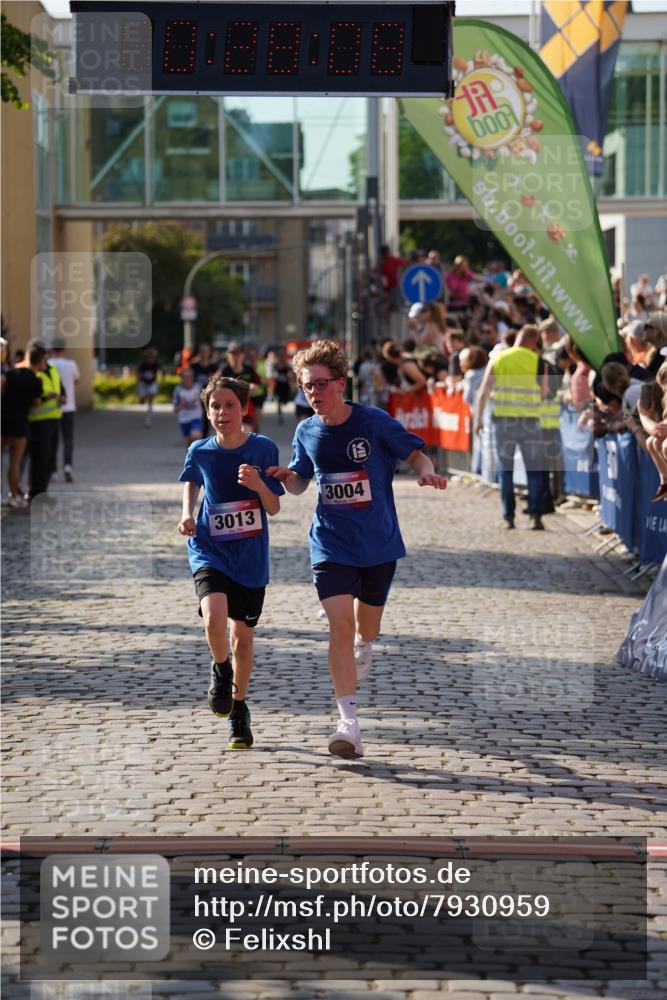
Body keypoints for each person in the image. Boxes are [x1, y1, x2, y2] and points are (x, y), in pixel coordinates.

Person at [266, 340, 448, 760]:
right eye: (307, 386)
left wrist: (427, 473)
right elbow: (300, 482)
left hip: (377, 543)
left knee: (367, 628)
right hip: (330, 543)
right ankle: (348, 723)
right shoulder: (306, 430)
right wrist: (287, 476)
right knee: (340, 626)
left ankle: (366, 645)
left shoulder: (373, 421)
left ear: (340, 383)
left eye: (321, 384)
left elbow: (417, 456)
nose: (314, 392)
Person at [177, 376, 284, 749]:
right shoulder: (200, 450)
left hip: (249, 557)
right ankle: (221, 670)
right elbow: (191, 480)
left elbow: (274, 506)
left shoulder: (263, 449)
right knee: (213, 617)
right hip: (209, 547)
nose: (222, 412)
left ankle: (239, 708)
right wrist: (187, 513)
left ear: (244, 409)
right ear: (207, 412)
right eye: (215, 406)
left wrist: (258, 485)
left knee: (243, 638)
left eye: (230, 405)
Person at [474, 324, 547, 530]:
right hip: (530, 421)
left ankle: (508, 516)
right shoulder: (538, 361)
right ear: (533, 342)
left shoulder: (499, 358)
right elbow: (544, 392)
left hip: (503, 421)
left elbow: (483, 390)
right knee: (533, 470)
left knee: (505, 470)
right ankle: (535, 516)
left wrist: (478, 419)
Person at [1, 343, 43, 507]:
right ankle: (13, 495)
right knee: (15, 462)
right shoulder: (35, 379)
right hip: (20, 422)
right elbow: (37, 402)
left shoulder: (11, 373)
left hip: (3, 418)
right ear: (40, 361)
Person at [49, 340, 80, 482]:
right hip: (69, 405)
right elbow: (76, 380)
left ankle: (53, 469)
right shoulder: (71, 364)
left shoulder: (49, 363)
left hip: (52, 407)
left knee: (53, 439)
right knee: (68, 438)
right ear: (64, 349)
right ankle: (67, 466)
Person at [172, 368, 204, 445]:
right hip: (184, 419)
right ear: (182, 378)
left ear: (193, 378)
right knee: (188, 444)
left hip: (196, 417)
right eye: (185, 377)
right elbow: (175, 410)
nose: (187, 379)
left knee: (196, 435)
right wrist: (181, 405)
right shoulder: (178, 390)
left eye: (189, 377)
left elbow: (207, 400)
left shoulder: (198, 387)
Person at [137, 346, 160, 428]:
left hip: (152, 383)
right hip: (143, 383)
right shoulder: (143, 363)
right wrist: (139, 377)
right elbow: (138, 371)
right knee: (142, 401)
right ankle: (143, 397)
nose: (151, 355)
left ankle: (148, 419)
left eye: (153, 353)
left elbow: (161, 370)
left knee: (150, 398)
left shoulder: (156, 363)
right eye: (150, 353)